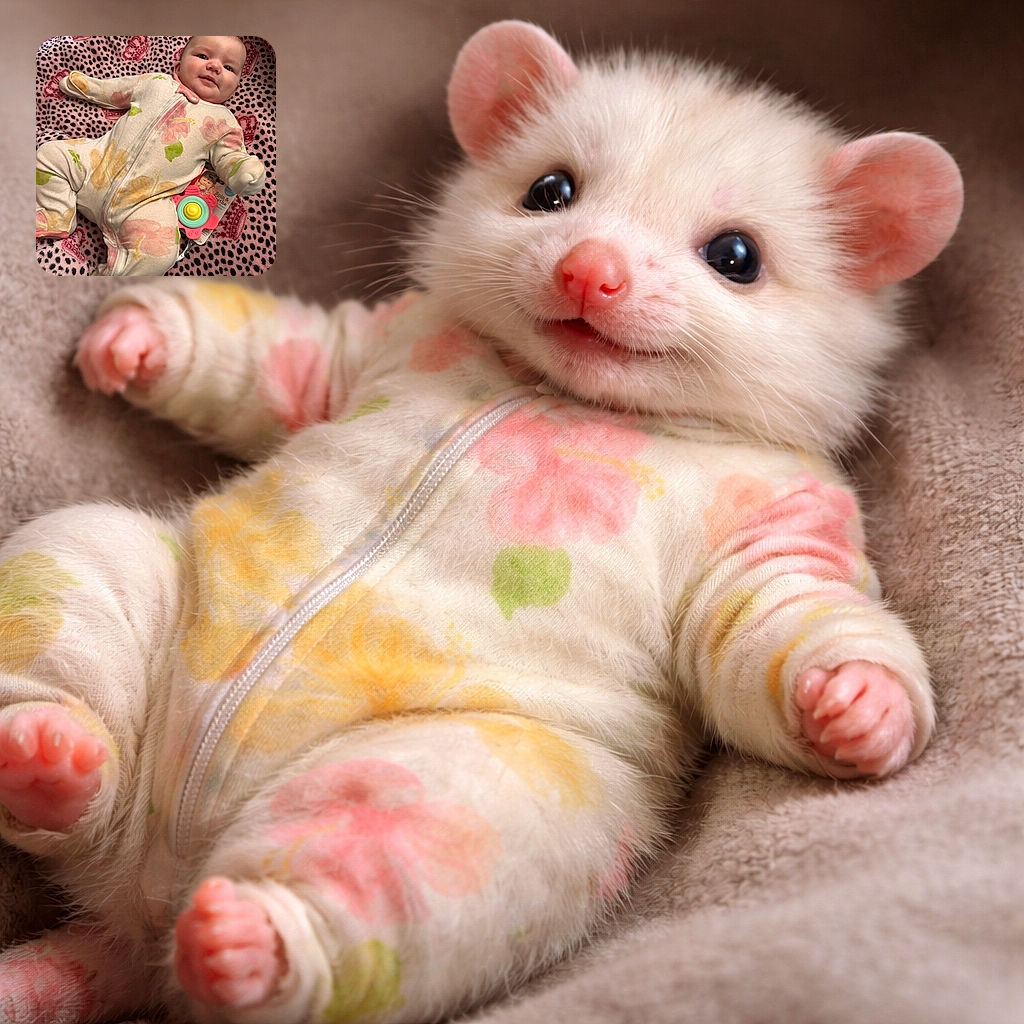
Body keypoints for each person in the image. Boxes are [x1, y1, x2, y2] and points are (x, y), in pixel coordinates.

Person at [35, 35, 266, 276]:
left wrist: (243, 171)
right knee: (50, 154)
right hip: (96, 165)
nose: (215, 66)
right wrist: (85, 85)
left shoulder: (224, 121)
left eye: (228, 68)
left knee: (162, 253)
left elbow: (229, 157)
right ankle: (57, 213)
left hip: (145, 203)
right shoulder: (156, 82)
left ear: (236, 85)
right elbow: (116, 90)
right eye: (203, 56)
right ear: (179, 65)